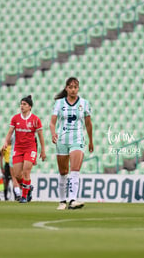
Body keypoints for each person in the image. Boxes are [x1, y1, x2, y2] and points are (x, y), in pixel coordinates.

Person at [49, 77, 93, 210]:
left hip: (77, 139)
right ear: (66, 88)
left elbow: (88, 124)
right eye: (70, 87)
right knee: (63, 172)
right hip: (62, 139)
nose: (73, 90)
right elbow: (52, 122)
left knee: (75, 170)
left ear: (78, 88)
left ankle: (73, 200)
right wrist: (53, 133)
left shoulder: (84, 103)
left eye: (75, 87)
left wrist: (91, 140)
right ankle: (62, 201)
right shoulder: (59, 103)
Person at [3, 95, 46, 203]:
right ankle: (28, 188)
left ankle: (24, 196)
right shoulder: (15, 118)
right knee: (17, 175)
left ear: (30, 107)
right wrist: (5, 142)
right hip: (18, 148)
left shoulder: (35, 120)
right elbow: (10, 132)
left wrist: (43, 150)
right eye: (21, 104)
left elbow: (40, 136)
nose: (22, 106)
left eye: (24, 104)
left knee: (26, 171)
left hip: (30, 149)